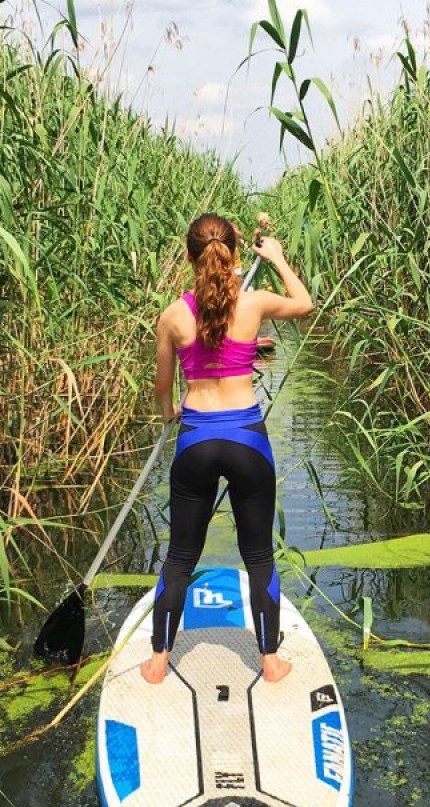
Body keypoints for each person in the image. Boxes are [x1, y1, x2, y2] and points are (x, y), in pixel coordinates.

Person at [139, 213, 314, 685]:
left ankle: (158, 662)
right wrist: (276, 258)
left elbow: (161, 385)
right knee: (258, 556)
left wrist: (169, 410)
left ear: (189, 256)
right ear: (235, 255)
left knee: (180, 556)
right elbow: (304, 303)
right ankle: (270, 662)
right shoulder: (252, 303)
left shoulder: (173, 316)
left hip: (196, 439)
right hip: (246, 442)